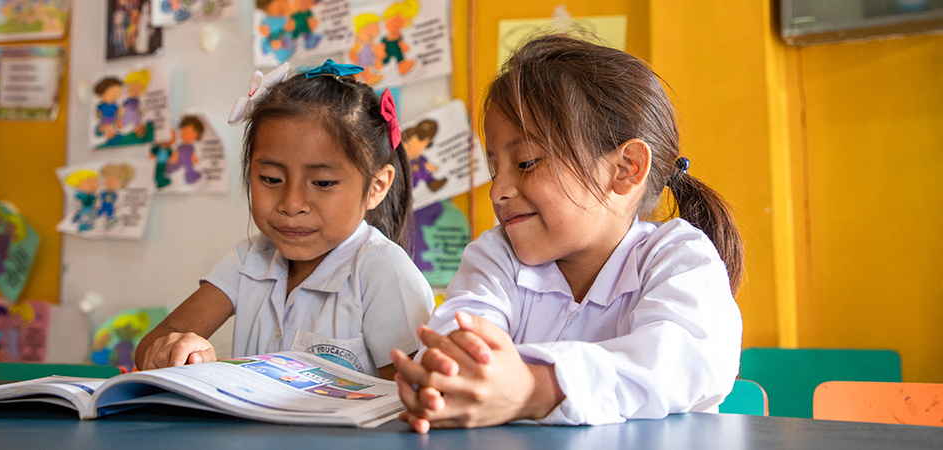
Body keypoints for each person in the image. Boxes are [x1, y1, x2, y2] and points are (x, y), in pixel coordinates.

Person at [390, 33, 745, 432]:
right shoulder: (496, 255)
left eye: (526, 162)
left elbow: (680, 362)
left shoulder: (679, 257)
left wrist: (534, 388)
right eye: (494, 169)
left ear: (626, 168)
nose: (498, 191)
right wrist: (446, 371)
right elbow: (457, 339)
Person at [135, 60, 435, 379]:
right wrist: (178, 348)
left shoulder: (383, 272)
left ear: (376, 187)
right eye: (271, 179)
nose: (292, 204)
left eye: (322, 183)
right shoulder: (247, 260)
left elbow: (413, 390)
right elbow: (150, 345)